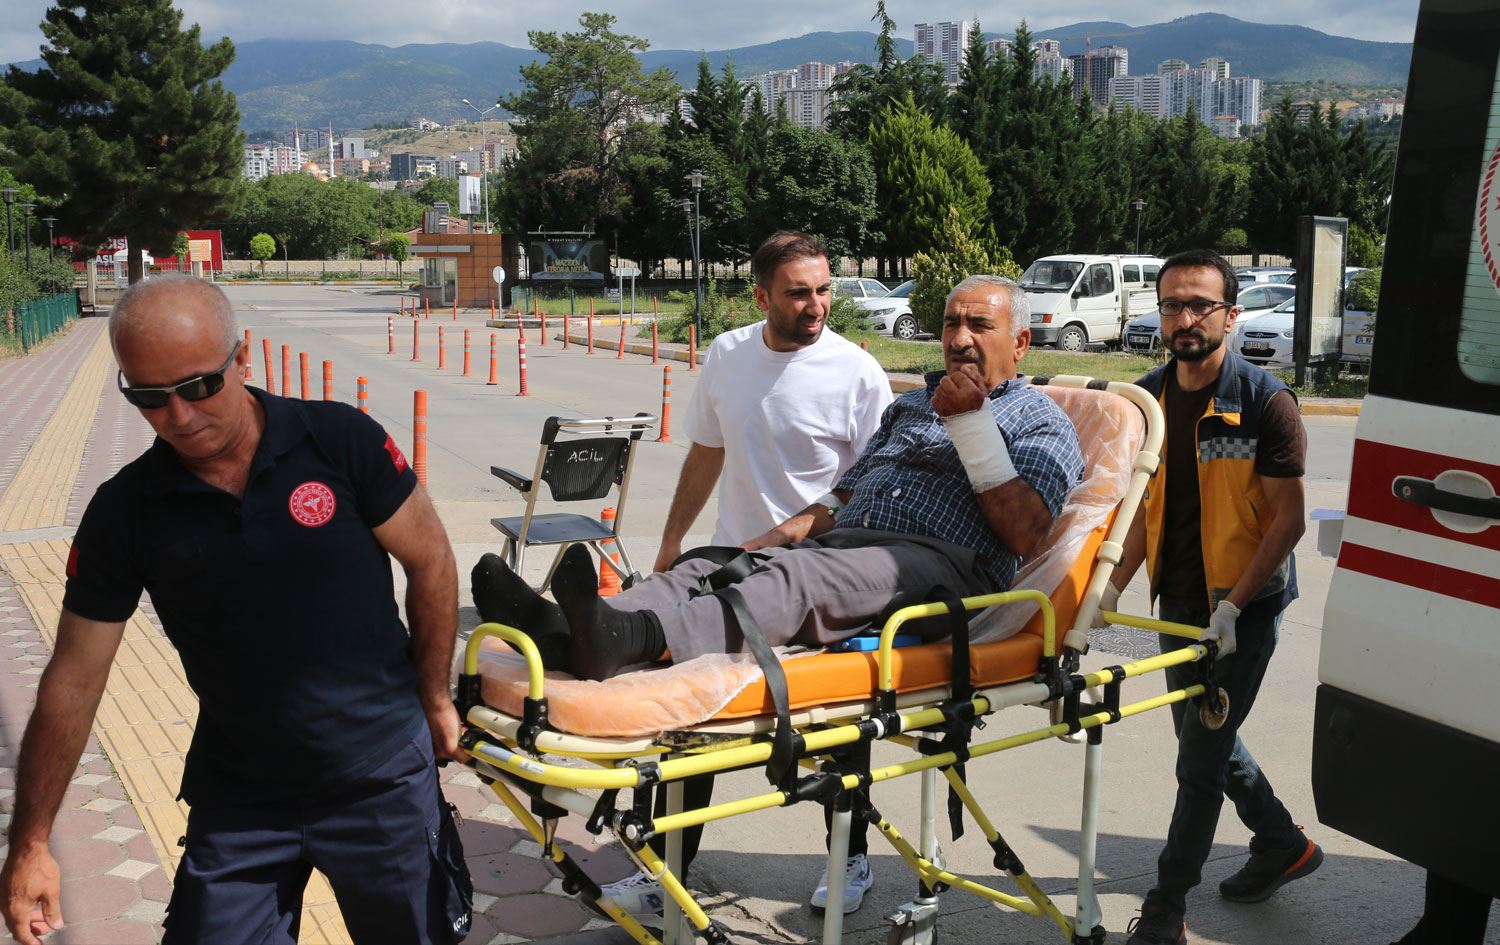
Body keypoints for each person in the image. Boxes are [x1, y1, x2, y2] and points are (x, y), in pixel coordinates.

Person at [0, 275, 471, 945]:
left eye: (198, 386)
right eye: (149, 397)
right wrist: (31, 842)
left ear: (242, 359)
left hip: (381, 776)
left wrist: (435, 695)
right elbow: (74, 676)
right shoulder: (125, 512)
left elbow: (431, 559)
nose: (179, 416)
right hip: (241, 796)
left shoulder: (339, 441)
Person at [614, 230, 894, 916]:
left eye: (823, 289)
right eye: (798, 293)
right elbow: (706, 455)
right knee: (688, 723)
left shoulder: (857, 374)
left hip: (819, 576)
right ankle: (667, 872)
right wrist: (670, 546)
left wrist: (801, 529)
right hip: (730, 564)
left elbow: (874, 483)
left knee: (834, 725)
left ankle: (849, 856)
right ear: (761, 295)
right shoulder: (728, 354)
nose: (816, 305)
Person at [1098, 250, 1320, 945]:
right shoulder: (1147, 402)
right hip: (1180, 600)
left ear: (1231, 313)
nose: (1185, 318)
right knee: (1207, 737)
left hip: (1244, 604)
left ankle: (1166, 907)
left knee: (1198, 760)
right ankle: (1282, 841)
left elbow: (1288, 521)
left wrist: (1233, 608)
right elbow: (1143, 511)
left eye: (1200, 304)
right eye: (1172, 305)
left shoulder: (1264, 402)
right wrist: (1111, 584)